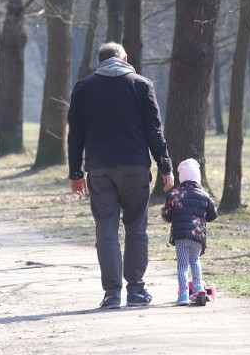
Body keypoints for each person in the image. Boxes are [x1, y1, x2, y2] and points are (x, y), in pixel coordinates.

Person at [67, 42, 174, 309]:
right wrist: (165, 166)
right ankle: (136, 291)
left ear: (99, 62)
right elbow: (155, 131)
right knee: (136, 229)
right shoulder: (141, 85)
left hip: (100, 170)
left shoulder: (84, 88)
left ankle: (112, 294)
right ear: (125, 58)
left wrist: (75, 173)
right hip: (135, 168)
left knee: (106, 231)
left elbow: (75, 136)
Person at [161, 158, 218, 306]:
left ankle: (184, 293)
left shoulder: (174, 195)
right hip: (198, 235)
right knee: (195, 260)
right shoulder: (204, 195)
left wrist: (168, 215)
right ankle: (199, 287)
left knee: (182, 265)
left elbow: (166, 215)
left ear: (181, 178)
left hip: (180, 236)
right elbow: (213, 215)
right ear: (197, 177)